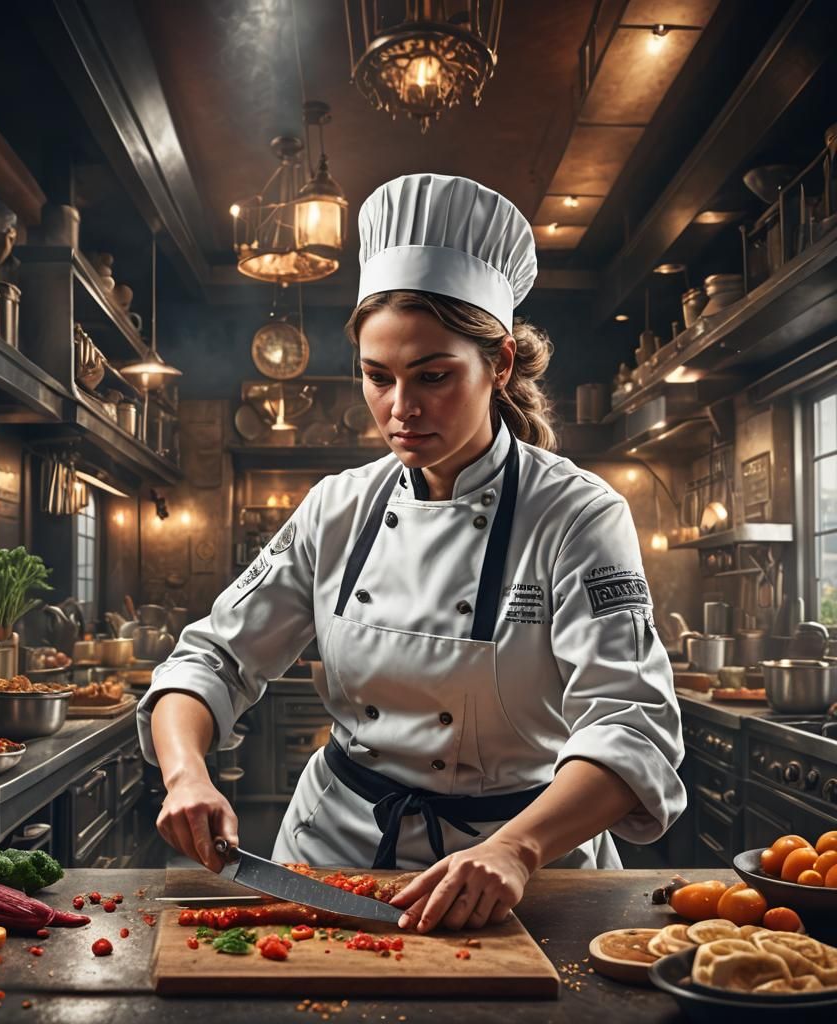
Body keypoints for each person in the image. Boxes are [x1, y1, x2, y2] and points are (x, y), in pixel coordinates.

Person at [138, 173, 685, 933]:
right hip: (335, 854)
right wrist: (187, 773)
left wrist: (518, 849)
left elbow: (631, 725)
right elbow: (211, 660)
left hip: (522, 869)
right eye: (377, 377)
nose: (401, 410)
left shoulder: (578, 514)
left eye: (433, 376)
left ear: (498, 365)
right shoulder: (340, 505)